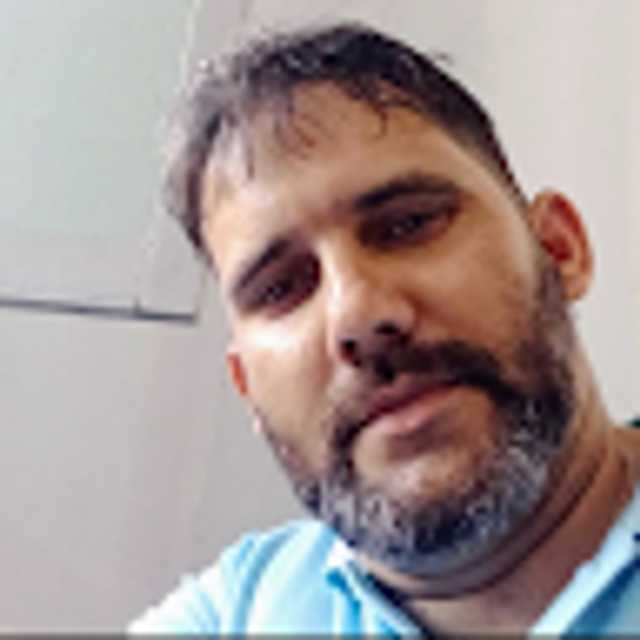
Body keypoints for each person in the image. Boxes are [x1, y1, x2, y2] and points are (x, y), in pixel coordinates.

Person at [130, 22, 640, 635]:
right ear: (248, 389)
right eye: (281, 287)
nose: (358, 316)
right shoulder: (229, 615)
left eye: (408, 225)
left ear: (558, 249)